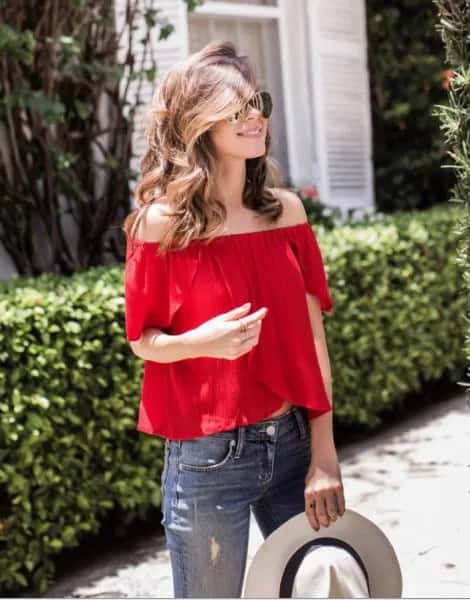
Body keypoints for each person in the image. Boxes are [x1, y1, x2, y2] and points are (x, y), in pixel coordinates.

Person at [122, 40, 345, 598]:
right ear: (199, 123)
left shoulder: (284, 211)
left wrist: (325, 453)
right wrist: (200, 342)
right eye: (237, 108)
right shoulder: (159, 224)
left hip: (295, 443)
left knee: (327, 586)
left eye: (257, 102)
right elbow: (143, 341)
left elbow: (313, 334)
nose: (256, 117)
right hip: (207, 458)